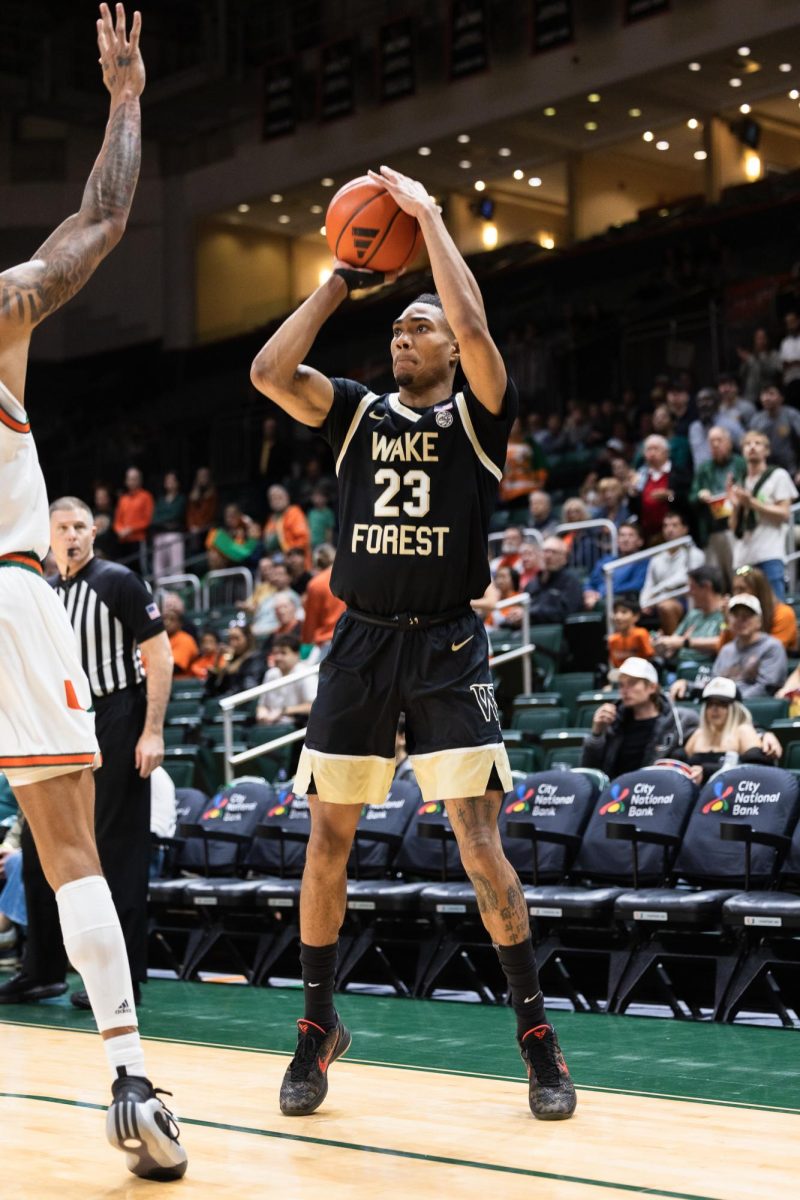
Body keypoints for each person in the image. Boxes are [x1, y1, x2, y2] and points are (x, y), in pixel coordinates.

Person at [250, 163, 576, 1121]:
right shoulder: (352, 410)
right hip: (358, 647)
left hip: (445, 647)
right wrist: (341, 282)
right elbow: (269, 374)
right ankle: (316, 1030)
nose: (404, 334)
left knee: (480, 848)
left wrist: (429, 218)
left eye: (416, 325)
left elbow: (476, 328)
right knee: (327, 845)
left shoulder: (478, 414)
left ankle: (537, 1039)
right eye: (399, 326)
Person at [0, 5, 185, 1179]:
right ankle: (128, 1072)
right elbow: (106, 218)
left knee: (66, 846)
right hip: (7, 601)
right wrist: (123, 98)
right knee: (68, 848)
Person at [7, 495, 173, 1018]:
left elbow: (159, 655)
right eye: (63, 528)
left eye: (80, 526)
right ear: (48, 536)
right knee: (39, 844)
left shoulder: (119, 581)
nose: (72, 535)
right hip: (63, 718)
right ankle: (41, 969)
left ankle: (122, 980)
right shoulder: (45, 591)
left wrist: (152, 731)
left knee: (116, 852)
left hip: (120, 716)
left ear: (94, 532)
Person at [581, 657, 698, 778]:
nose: (624, 690)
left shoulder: (680, 721)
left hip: (658, 792)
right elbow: (590, 770)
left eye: (632, 683)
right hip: (616, 792)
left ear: (652, 687)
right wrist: (597, 733)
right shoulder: (613, 721)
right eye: (621, 685)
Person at [671, 594, 787, 700]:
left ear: (759, 621)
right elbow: (713, 683)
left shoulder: (772, 647)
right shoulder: (726, 650)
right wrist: (688, 685)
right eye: (736, 615)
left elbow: (766, 689)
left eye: (747, 615)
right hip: (723, 706)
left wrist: (732, 702)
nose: (741, 620)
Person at [728, 429, 798, 601]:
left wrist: (751, 502)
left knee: (775, 604)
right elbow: (732, 526)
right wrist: (737, 507)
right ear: (742, 451)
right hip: (743, 556)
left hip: (769, 553)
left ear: (767, 451)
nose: (752, 447)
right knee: (744, 606)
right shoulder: (739, 481)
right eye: (747, 444)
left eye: (757, 443)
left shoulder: (777, 475)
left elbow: (784, 513)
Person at [677, 677, 779, 786]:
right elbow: (678, 763)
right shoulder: (699, 734)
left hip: (731, 795)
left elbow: (756, 769)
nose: (714, 709)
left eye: (722, 704)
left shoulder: (743, 730)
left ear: (735, 709)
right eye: (710, 704)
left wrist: (706, 771)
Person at [689, 425, 743, 592]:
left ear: (729, 443)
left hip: (736, 528)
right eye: (712, 442)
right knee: (716, 580)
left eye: (719, 440)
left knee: (737, 574)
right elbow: (690, 497)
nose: (716, 445)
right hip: (712, 531)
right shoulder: (704, 468)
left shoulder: (740, 463)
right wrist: (700, 495)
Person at [639, 510, 705, 634]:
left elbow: (685, 578)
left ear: (685, 529)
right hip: (658, 599)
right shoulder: (656, 558)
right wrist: (644, 603)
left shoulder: (695, 554)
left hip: (685, 600)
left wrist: (656, 592)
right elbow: (648, 584)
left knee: (666, 606)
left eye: (674, 525)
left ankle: (674, 647)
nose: (669, 530)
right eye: (666, 526)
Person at [652, 565, 726, 671]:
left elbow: (723, 642)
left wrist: (685, 642)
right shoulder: (693, 614)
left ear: (706, 587)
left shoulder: (726, 613)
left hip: (706, 669)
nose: (689, 593)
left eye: (692, 587)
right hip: (680, 668)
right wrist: (660, 643)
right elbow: (673, 643)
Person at [718, 564, 798, 654]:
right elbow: (723, 651)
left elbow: (772, 652)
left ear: (759, 590)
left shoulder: (784, 613)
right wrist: (728, 621)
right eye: (735, 590)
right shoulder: (736, 615)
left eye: (742, 589)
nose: (737, 595)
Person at [583, 521, 647, 611]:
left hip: (623, 602)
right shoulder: (606, 560)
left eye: (631, 535)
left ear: (640, 541)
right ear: (617, 540)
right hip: (597, 599)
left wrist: (602, 594)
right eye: (622, 535)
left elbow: (636, 585)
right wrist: (588, 591)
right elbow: (591, 581)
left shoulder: (643, 561)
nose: (626, 539)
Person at [256, 633, 318, 725]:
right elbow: (262, 705)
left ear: (296, 654)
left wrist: (283, 711)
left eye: (283, 653)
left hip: (296, 726)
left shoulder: (306, 673)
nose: (278, 657)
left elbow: (314, 706)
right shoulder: (270, 674)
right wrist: (262, 714)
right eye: (275, 653)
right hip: (270, 725)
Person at [301, 544, 346, 659]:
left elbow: (311, 620)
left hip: (327, 643)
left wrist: (306, 641)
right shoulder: (348, 576)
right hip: (352, 637)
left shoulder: (316, 584)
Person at [525, 536, 583, 623]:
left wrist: (530, 614)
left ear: (564, 558)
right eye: (545, 551)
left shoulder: (571, 581)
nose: (548, 556)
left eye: (554, 552)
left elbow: (566, 612)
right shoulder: (531, 584)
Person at [204, 618, 264, 699]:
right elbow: (214, 689)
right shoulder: (231, 658)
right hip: (226, 701)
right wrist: (217, 660)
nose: (233, 643)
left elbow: (248, 688)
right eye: (230, 639)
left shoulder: (255, 659)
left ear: (248, 638)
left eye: (237, 638)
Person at [263, 483, 312, 569]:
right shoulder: (272, 518)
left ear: (287, 497)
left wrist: (288, 554)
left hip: (293, 557)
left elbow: (303, 539)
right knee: (264, 564)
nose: (276, 500)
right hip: (276, 558)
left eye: (279, 497)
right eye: (273, 498)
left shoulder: (294, 512)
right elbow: (267, 541)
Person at [151, 469, 186, 579]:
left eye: (172, 480)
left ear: (177, 483)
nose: (169, 483)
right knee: (159, 569)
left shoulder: (181, 499)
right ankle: (160, 591)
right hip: (160, 535)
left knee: (176, 567)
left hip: (175, 534)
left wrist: (164, 519)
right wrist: (166, 521)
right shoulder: (160, 501)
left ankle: (178, 591)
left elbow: (176, 515)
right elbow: (155, 518)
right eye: (167, 480)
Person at [607, 598, 654, 673]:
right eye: (616, 612)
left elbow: (649, 658)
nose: (618, 617)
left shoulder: (641, 634)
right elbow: (615, 664)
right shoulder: (612, 640)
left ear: (636, 616)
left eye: (624, 612)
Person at [162, 602, 199, 677]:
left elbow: (176, 667)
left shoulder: (185, 639)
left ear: (180, 623)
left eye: (172, 619)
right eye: (164, 619)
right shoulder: (161, 639)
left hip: (181, 684)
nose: (167, 622)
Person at [779, 310, 800, 410]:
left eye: (792, 321)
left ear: (798, 321)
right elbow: (782, 364)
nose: (790, 325)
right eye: (788, 323)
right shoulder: (785, 343)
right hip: (790, 383)